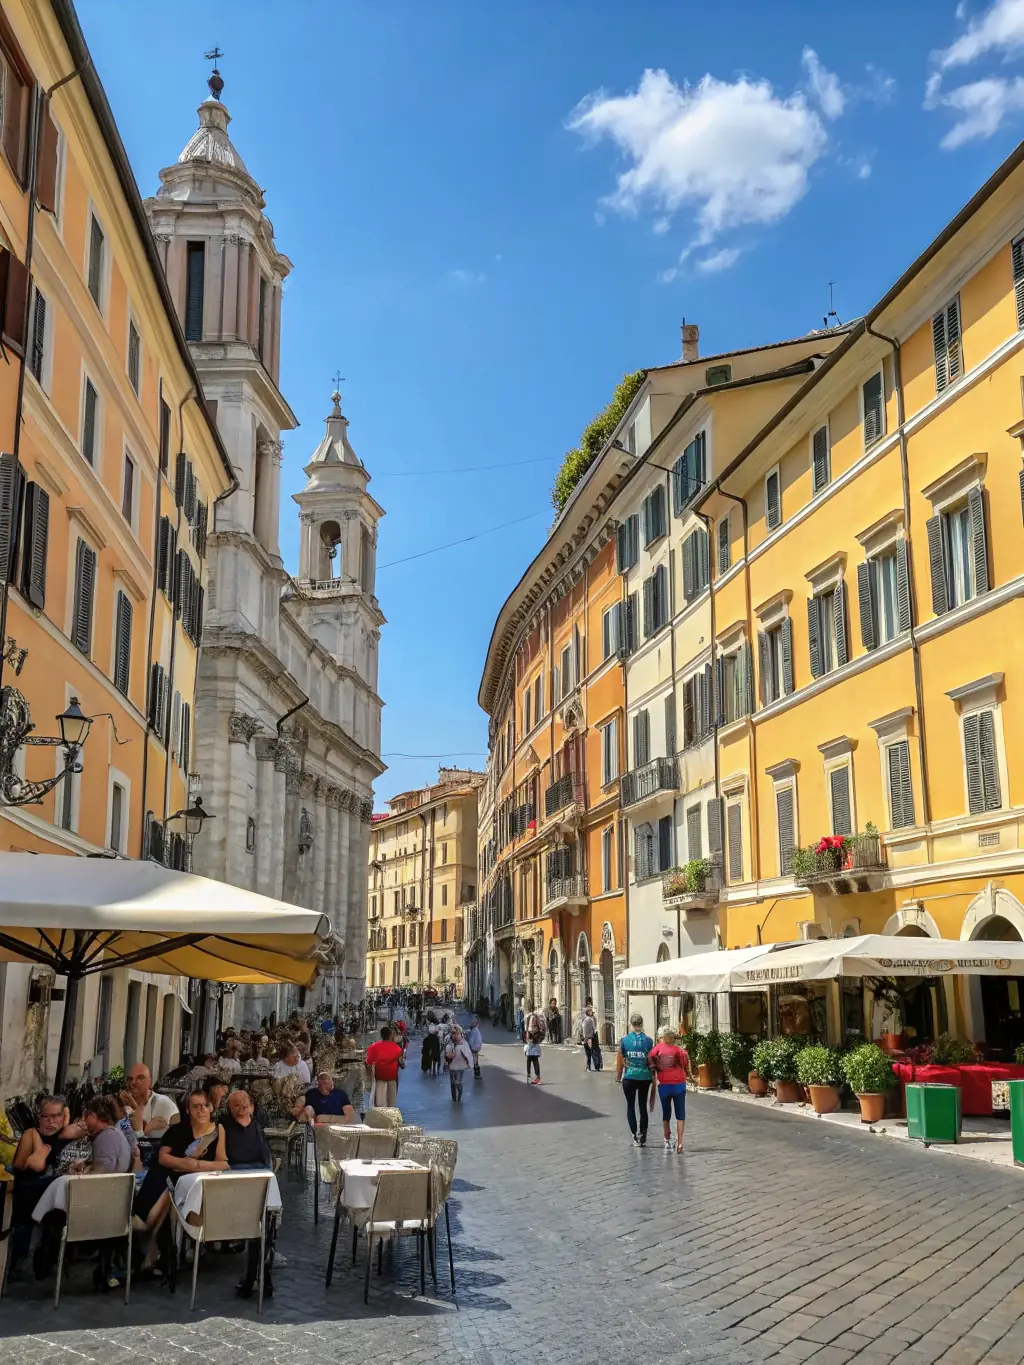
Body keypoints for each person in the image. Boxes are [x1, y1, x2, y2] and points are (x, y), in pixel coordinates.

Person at [133, 1089, 228, 1279]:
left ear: (211, 1108)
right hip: (171, 1176)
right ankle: (154, 1253)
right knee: (161, 1198)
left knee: (156, 1210)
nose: (201, 1110)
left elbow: (224, 1162)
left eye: (205, 1105)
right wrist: (184, 1163)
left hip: (196, 1184)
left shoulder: (218, 1131)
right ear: (188, 1110)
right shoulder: (178, 1130)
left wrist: (198, 1165)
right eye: (196, 1106)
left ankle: (150, 1253)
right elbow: (163, 1157)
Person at [10, 1095, 75, 1267]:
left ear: (64, 1116)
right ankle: (22, 1254)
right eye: (45, 1116)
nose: (49, 1121)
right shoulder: (31, 1134)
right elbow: (22, 1165)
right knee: (30, 1190)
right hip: (29, 1190)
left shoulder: (67, 1134)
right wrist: (41, 1149)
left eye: (55, 1116)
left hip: (56, 1195)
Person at [222, 1090, 275, 1298]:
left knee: (266, 1223)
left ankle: (256, 1276)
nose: (242, 1108)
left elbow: (266, 1157)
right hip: (235, 1182)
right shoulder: (224, 1126)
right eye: (237, 1105)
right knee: (259, 1225)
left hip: (260, 1179)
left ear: (252, 1106)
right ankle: (261, 1277)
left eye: (246, 1104)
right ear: (230, 1108)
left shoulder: (257, 1126)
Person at [649, 1026, 691, 1153]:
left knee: (666, 1113)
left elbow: (650, 1059)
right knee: (680, 1114)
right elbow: (685, 1064)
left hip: (664, 1085)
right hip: (679, 1085)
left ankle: (667, 1139)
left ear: (663, 1037)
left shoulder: (657, 1048)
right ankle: (680, 1143)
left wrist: (655, 1069)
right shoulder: (680, 1051)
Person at [616, 1013, 655, 1147]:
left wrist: (618, 1075)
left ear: (631, 1025)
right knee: (642, 1105)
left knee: (630, 1106)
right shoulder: (649, 1041)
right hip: (645, 1076)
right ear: (642, 1024)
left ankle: (634, 1135)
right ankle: (643, 1134)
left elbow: (622, 1057)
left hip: (630, 1076)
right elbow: (651, 1058)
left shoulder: (625, 1040)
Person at [121, 1062, 179, 1136]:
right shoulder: (123, 1105)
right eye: (130, 1079)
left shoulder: (162, 1103)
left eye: (140, 1078)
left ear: (150, 1082)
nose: (133, 1082)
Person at [365, 1025, 403, 1108]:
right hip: (392, 1078)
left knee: (379, 1104)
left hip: (379, 1077)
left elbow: (368, 1063)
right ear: (390, 1035)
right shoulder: (397, 1048)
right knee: (392, 1104)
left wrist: (369, 1077)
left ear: (381, 1035)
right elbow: (401, 1063)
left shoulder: (374, 1047)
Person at [445, 1026, 475, 1102]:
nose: (455, 1035)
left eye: (457, 1033)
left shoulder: (464, 1044)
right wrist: (448, 1056)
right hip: (451, 1066)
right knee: (452, 1084)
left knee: (458, 1083)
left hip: (460, 1067)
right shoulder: (449, 1044)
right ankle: (454, 1099)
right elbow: (446, 1056)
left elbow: (469, 1055)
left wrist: (470, 1064)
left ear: (461, 1034)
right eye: (454, 1033)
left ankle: (459, 1099)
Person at [582, 1004, 602, 1072]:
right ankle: (590, 1067)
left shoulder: (592, 1018)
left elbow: (594, 1028)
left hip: (592, 1037)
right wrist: (588, 1039)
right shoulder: (588, 1020)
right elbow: (586, 1031)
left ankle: (596, 1066)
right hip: (589, 1038)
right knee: (590, 1053)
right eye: (589, 1010)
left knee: (593, 1052)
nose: (591, 1011)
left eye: (591, 1010)